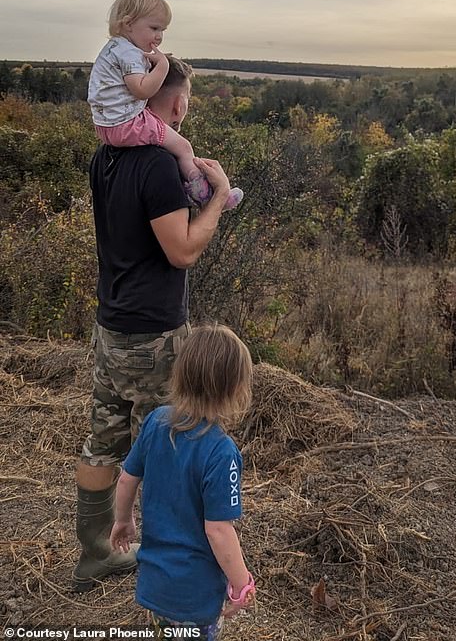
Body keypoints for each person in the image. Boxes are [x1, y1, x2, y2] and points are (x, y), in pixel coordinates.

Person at [73, 57, 235, 591]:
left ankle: (96, 552)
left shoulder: (107, 155)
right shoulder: (160, 166)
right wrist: (215, 201)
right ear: (179, 103)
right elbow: (183, 251)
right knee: (169, 446)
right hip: (153, 335)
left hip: (111, 323)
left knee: (104, 439)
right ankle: (173, 561)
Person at [110, 323, 255, 637]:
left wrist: (123, 520)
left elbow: (126, 479)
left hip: (155, 584)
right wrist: (242, 584)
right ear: (234, 388)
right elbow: (218, 530)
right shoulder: (222, 451)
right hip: (195, 595)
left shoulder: (156, 421)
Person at [88, 0, 242, 209]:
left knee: (169, 144)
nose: (159, 37)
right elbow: (142, 90)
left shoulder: (114, 49)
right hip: (125, 124)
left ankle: (184, 188)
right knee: (182, 147)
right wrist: (162, 66)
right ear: (129, 23)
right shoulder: (128, 53)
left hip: (105, 127)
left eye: (162, 31)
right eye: (154, 28)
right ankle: (204, 194)